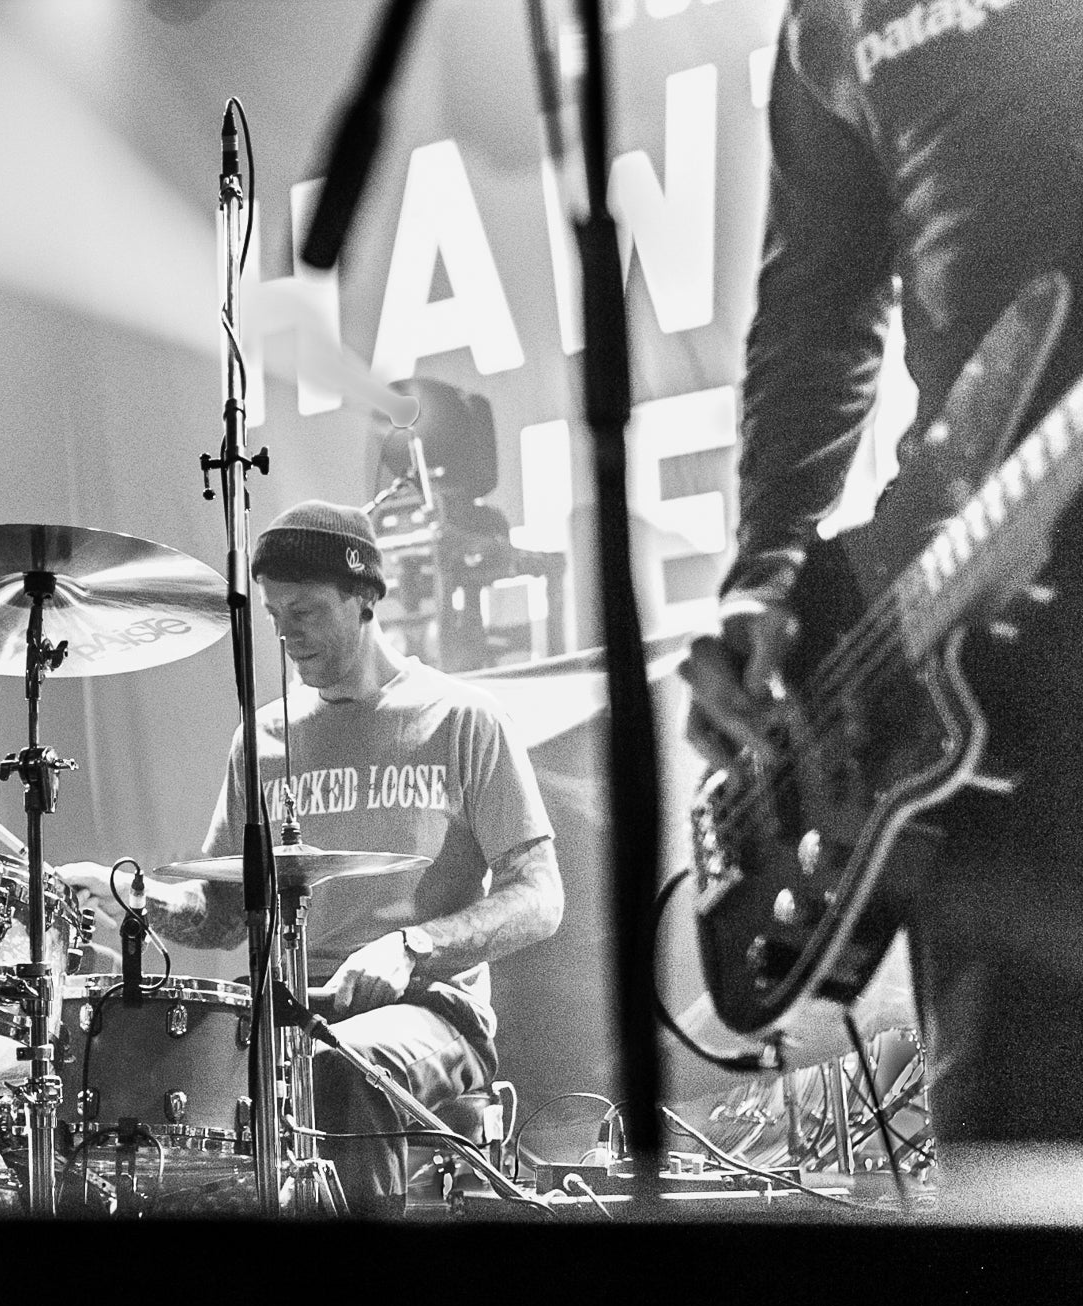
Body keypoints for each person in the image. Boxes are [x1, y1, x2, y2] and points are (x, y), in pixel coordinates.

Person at [682, 0, 1083, 1185]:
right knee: (1015, 1157)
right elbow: (812, 323)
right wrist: (766, 572)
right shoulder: (829, 21)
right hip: (966, 645)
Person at [62, 500, 563, 1213]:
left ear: (364, 598)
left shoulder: (462, 720)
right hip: (286, 1003)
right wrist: (129, 896)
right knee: (135, 1075)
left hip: (429, 1009)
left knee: (338, 1064)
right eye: (273, 614)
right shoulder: (261, 741)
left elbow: (541, 896)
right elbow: (222, 916)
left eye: (306, 610)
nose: (286, 632)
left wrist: (413, 947)